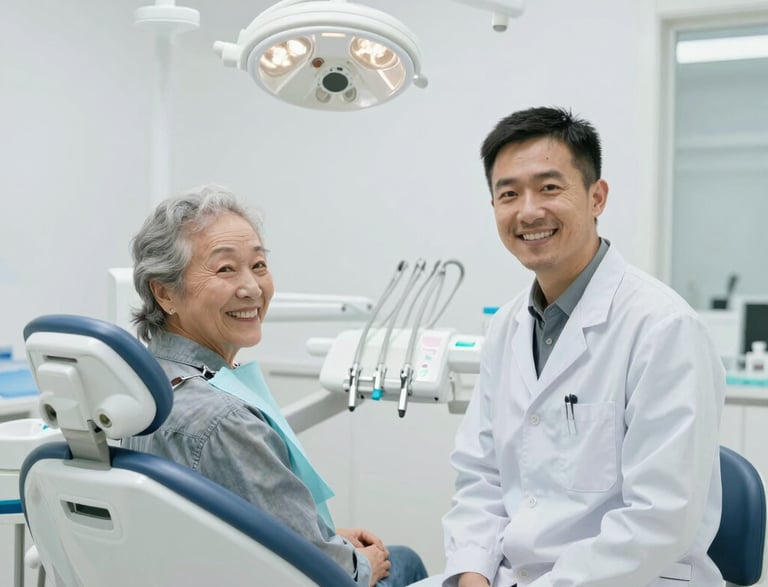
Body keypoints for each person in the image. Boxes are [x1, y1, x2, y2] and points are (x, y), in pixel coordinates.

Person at [433, 107, 726, 586]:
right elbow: (480, 477)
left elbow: (660, 519)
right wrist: (471, 575)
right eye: (509, 194)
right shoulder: (507, 327)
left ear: (597, 197)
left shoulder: (663, 328)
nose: (528, 211)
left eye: (549, 187)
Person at [124, 185, 427, 587]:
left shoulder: (133, 389)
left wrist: (330, 540)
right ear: (165, 294)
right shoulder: (225, 422)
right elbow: (323, 573)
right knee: (402, 561)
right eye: (225, 269)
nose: (251, 287)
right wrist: (363, 563)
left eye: (259, 265)